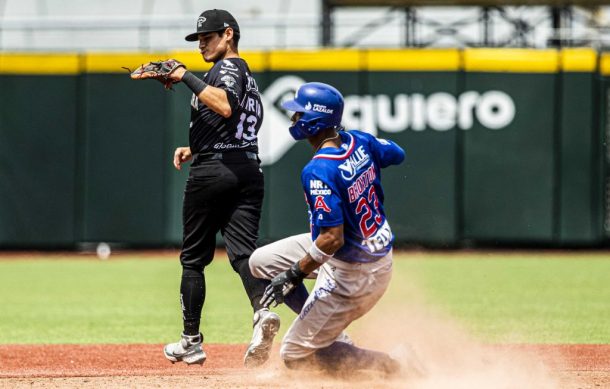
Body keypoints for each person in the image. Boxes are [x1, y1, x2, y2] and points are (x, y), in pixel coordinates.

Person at [249, 82, 406, 375]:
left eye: (299, 114)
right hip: (364, 251)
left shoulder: (318, 170)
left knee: (294, 355)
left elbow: (332, 239)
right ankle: (329, 333)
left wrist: (295, 273)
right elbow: (397, 153)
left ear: (315, 122)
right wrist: (362, 154)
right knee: (261, 262)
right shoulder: (359, 140)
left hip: (355, 272)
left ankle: (395, 366)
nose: (294, 119)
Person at [160, 9, 279, 367]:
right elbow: (235, 120)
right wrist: (195, 146)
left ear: (228, 35)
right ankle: (262, 314)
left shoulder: (228, 68)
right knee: (242, 253)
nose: (201, 44)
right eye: (198, 39)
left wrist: (184, 76)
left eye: (208, 37)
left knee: (193, 259)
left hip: (214, 172)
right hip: (246, 169)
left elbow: (225, 106)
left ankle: (190, 341)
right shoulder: (245, 76)